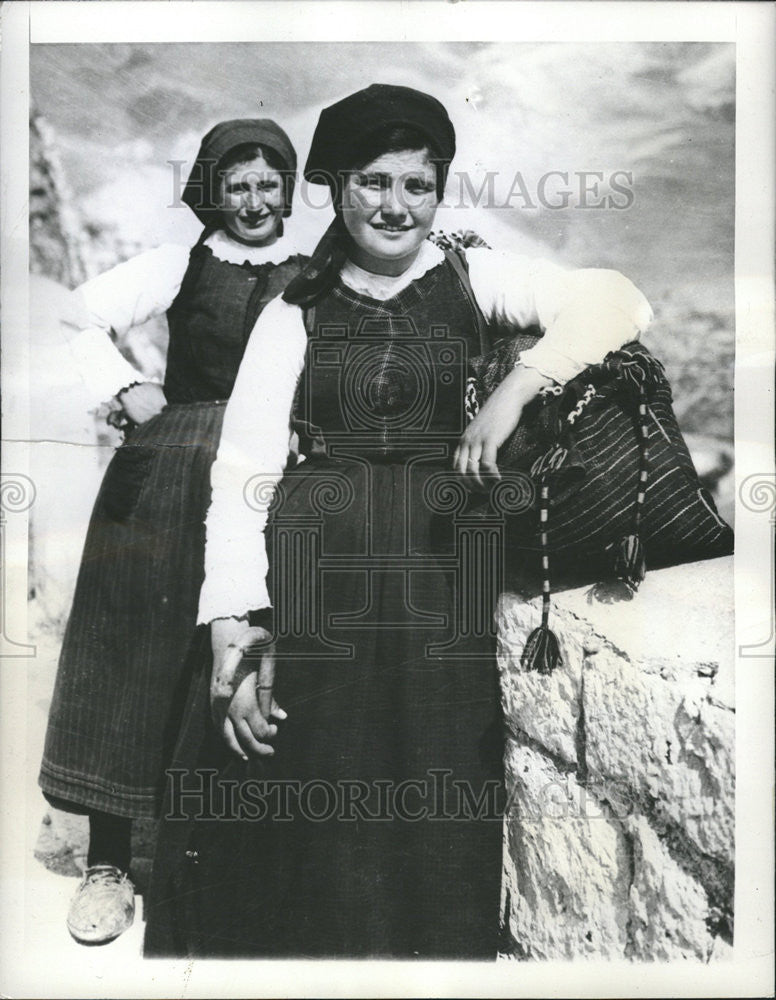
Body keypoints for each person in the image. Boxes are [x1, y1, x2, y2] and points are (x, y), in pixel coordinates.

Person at [143, 84, 654, 959]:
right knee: (301, 783)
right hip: (318, 576)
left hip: (438, 580)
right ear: (338, 187)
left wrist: (518, 387)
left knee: (434, 782)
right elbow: (244, 474)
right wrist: (236, 618)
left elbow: (618, 299)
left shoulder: (469, 277)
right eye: (374, 182)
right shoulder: (293, 310)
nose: (395, 206)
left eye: (418, 186)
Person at [38, 119, 307, 945]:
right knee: (133, 656)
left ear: (287, 190)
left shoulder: (311, 275)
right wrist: (127, 387)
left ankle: (199, 857)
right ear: (211, 189)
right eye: (238, 185)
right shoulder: (180, 263)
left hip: (261, 481)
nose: (254, 202)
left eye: (269, 185)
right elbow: (68, 315)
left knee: (232, 657)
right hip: (164, 478)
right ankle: (110, 864)